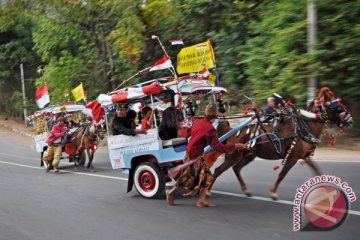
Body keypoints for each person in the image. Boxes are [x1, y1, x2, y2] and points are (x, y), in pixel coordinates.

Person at [166, 103, 248, 207]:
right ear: (215, 114)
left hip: (190, 153)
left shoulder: (197, 122)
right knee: (187, 179)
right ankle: (170, 193)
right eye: (217, 111)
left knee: (207, 177)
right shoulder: (210, 129)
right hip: (194, 157)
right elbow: (218, 147)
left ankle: (201, 200)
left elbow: (189, 134)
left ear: (206, 112)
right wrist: (236, 146)